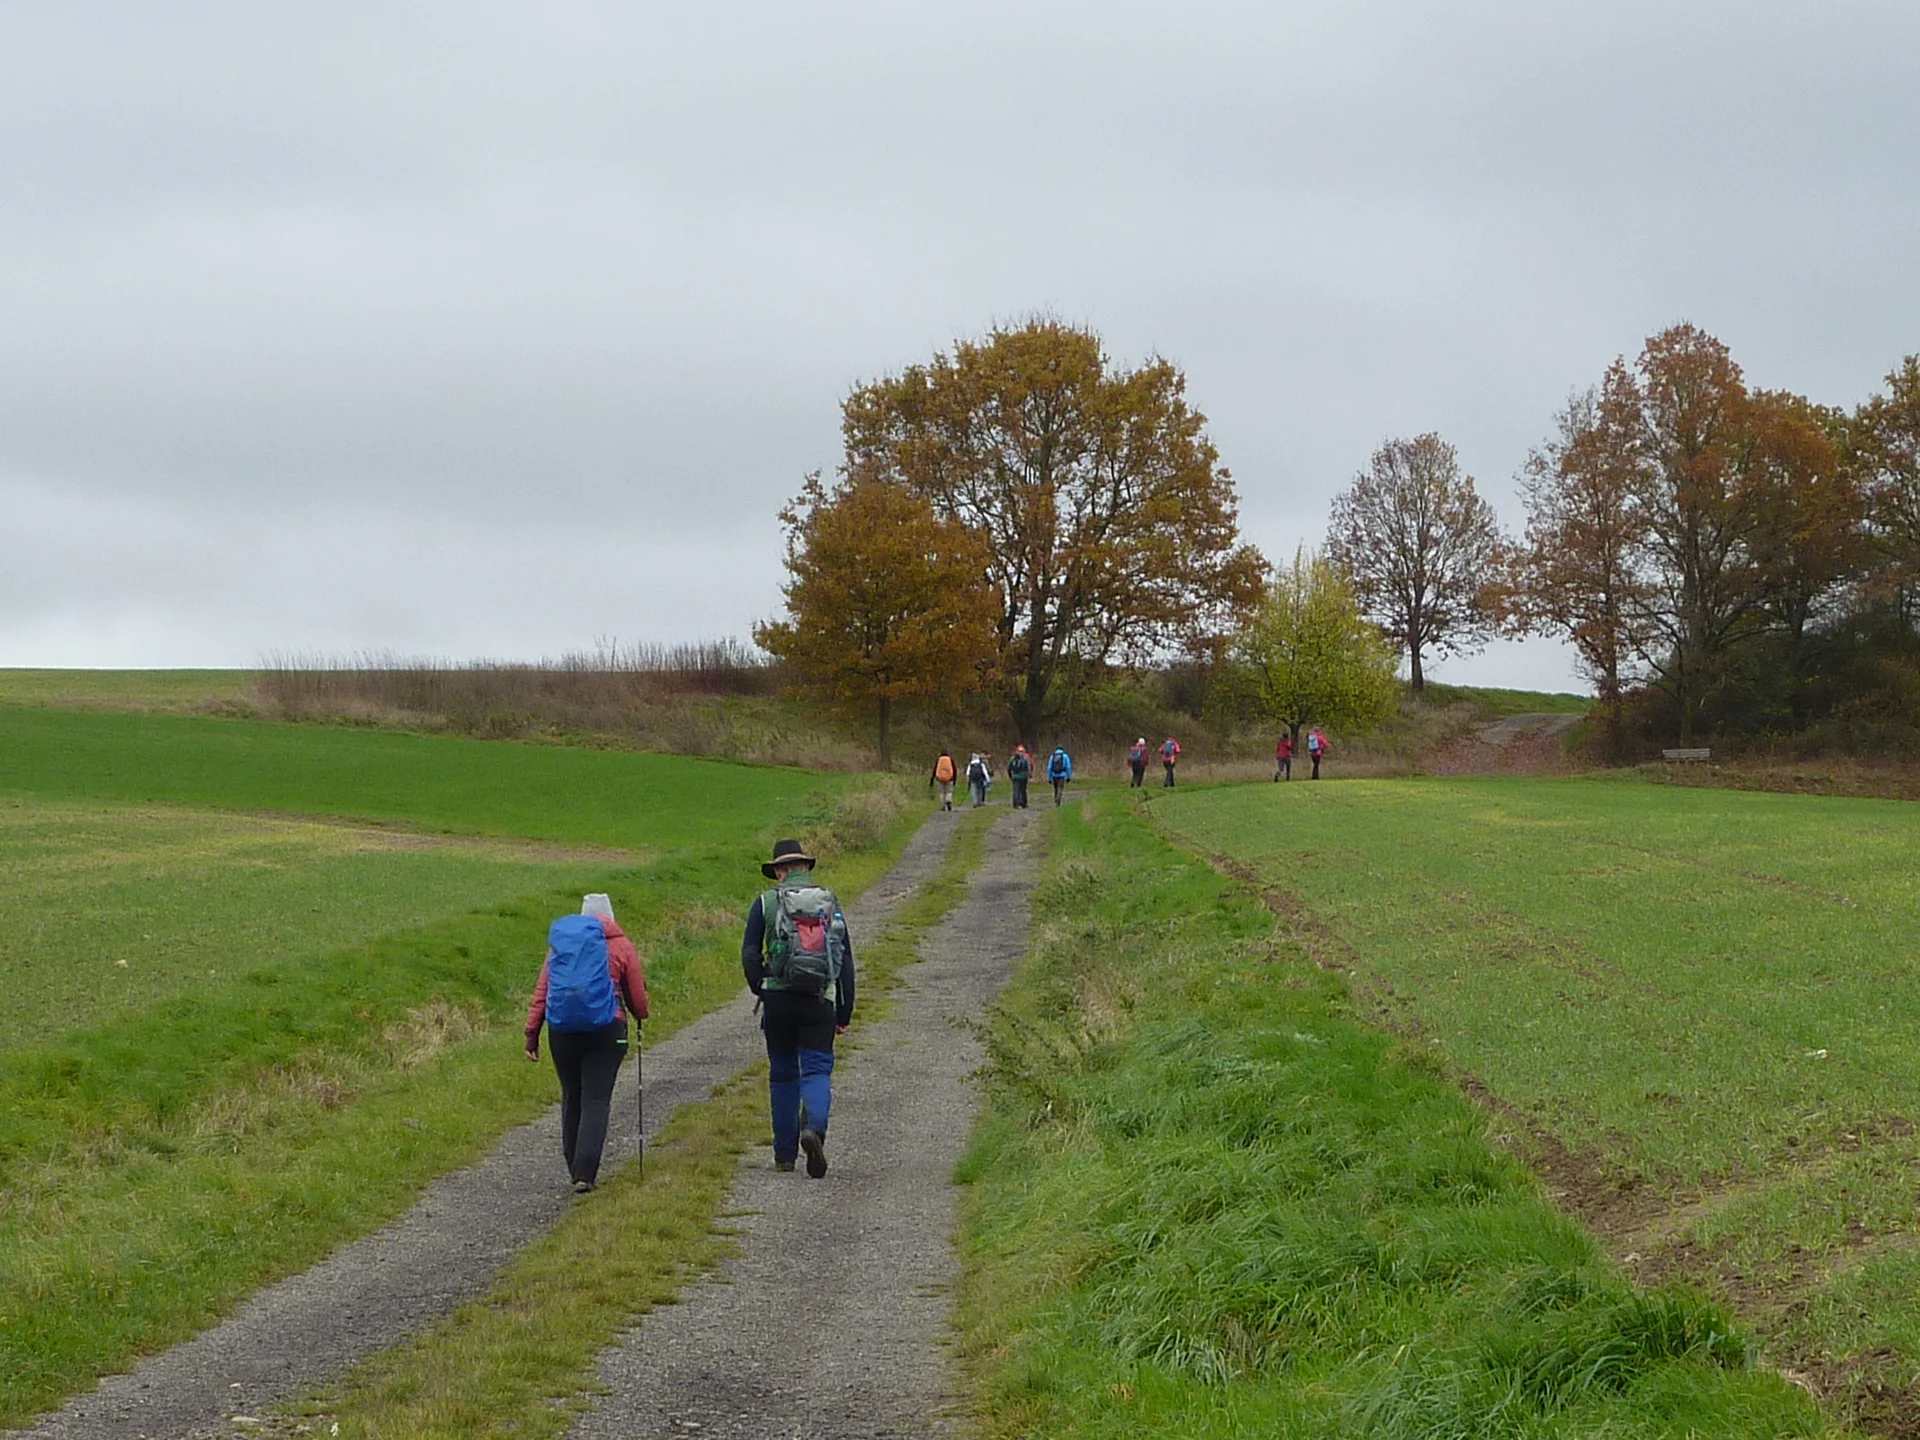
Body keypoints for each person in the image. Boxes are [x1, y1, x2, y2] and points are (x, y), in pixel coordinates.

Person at [741, 839, 855, 1177]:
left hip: (778, 999)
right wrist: (844, 1011)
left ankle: (784, 1156)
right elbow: (845, 960)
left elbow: (749, 953)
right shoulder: (829, 901)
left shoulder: (765, 902)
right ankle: (814, 1129)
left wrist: (761, 986)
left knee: (783, 1074)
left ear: (778, 871)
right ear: (805, 867)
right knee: (817, 1070)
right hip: (819, 999)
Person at [525, 893, 649, 1194]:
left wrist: (532, 1033)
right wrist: (640, 1014)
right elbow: (637, 998)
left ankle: (573, 1167)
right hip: (607, 1030)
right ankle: (585, 1173)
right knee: (596, 1099)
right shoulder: (621, 945)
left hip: (562, 1031)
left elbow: (542, 992)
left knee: (572, 1096)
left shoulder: (562, 946)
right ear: (610, 917)